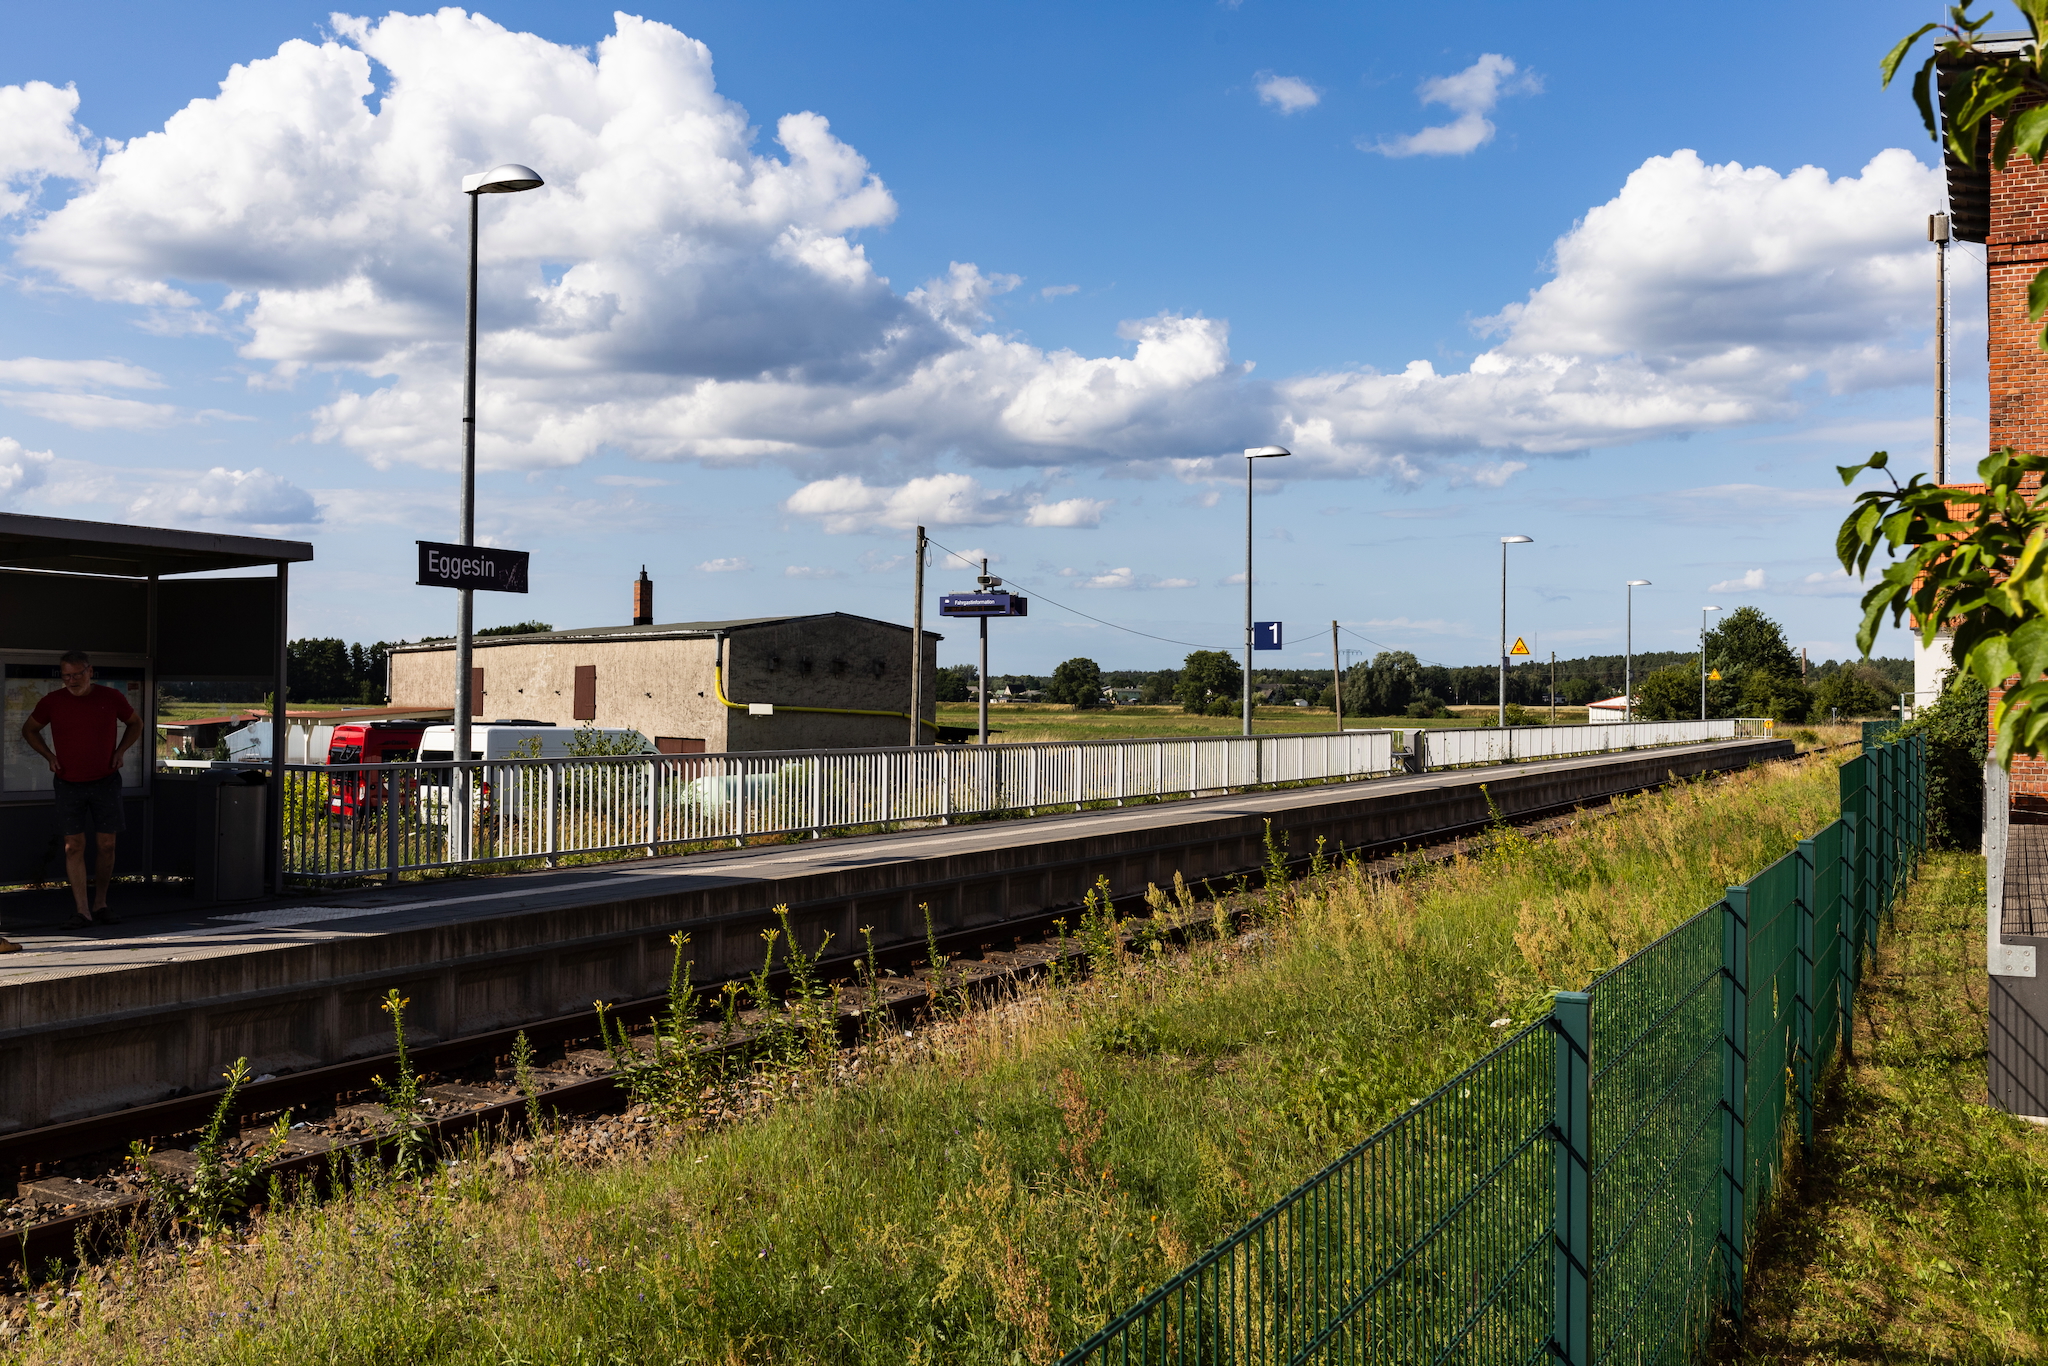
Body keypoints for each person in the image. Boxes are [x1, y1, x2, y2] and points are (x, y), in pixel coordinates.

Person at [20, 650, 141, 929]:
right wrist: (49, 756)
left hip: (106, 780)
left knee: (106, 844)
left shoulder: (111, 698)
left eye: (76, 674)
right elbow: (29, 730)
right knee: (73, 845)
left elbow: (136, 723)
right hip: (68, 782)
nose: (71, 680)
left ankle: (101, 903)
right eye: (66, 676)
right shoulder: (52, 701)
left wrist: (121, 750)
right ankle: (82, 910)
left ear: (90, 671)